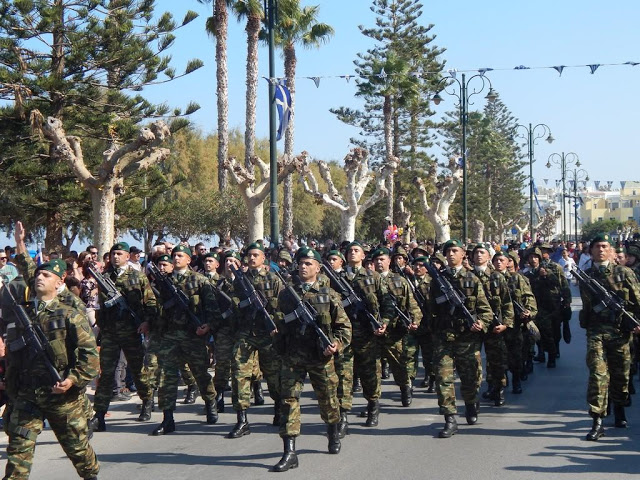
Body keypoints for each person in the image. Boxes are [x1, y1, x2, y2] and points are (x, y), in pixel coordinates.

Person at [1, 259, 100, 479]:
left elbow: (90, 357)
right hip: (27, 395)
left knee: (78, 450)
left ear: (59, 282)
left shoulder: (69, 314)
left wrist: (73, 380)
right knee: (18, 451)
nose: (39, 278)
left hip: (61, 394)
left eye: (46, 275)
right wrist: (9, 384)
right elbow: (13, 356)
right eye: (38, 274)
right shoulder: (22, 316)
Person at [271, 247, 351, 472]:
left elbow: (344, 327)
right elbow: (280, 323)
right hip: (293, 356)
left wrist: (336, 344)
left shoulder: (329, 295)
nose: (303, 267)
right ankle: (289, 452)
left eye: (308, 263)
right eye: (301, 263)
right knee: (288, 401)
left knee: (327, 399)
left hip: (320, 357)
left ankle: (333, 431)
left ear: (318, 267)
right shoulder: (287, 294)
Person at [151, 245, 222, 435]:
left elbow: (212, 308)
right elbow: (159, 308)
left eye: (180, 255)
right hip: (171, 335)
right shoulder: (164, 281)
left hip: (193, 335)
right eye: (174, 255)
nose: (176, 258)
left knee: (200, 373)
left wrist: (208, 326)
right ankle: (168, 418)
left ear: (189, 260)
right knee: (167, 377)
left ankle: (210, 401)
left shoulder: (200, 281)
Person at [577, 234, 640, 440]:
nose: (600, 250)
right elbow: (587, 308)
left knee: (621, 374)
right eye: (596, 246)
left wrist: (636, 322)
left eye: (604, 246)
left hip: (620, 332)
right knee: (597, 374)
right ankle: (597, 420)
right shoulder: (585, 276)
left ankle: (619, 409)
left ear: (611, 250)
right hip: (596, 332)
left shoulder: (624, 273)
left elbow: (638, 300)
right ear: (590, 250)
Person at [89, 242, 158, 432]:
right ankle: (99, 414)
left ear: (128, 256)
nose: (115, 257)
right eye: (113, 254)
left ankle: (147, 400)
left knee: (137, 370)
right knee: (106, 374)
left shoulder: (137, 277)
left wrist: (146, 322)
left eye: (119, 254)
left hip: (131, 331)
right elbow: (101, 305)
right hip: (110, 333)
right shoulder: (105, 278)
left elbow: (150, 302)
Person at [430, 240, 493, 438]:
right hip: (444, 338)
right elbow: (430, 309)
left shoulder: (472, 280)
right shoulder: (438, 280)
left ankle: (471, 403)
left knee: (470, 378)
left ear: (463, 254)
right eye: (447, 251)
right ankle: (450, 418)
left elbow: (486, 311)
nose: (450, 254)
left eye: (454, 250)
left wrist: (480, 323)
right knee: (443, 378)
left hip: (467, 338)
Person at [227, 242, 283, 438]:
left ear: (263, 258)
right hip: (246, 333)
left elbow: (282, 306)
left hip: (267, 334)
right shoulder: (239, 280)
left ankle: (279, 407)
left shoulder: (273, 279)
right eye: (249, 255)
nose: (251, 258)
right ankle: (242, 420)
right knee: (239, 374)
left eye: (255, 255)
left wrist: (275, 324)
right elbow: (234, 305)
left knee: (273, 374)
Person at [371, 247, 421, 406]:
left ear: (389, 261)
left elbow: (412, 305)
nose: (379, 262)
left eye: (382, 259)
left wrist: (415, 320)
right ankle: (373, 403)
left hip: (394, 331)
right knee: (372, 369)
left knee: (399, 365)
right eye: (376, 260)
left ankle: (405, 387)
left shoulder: (400, 281)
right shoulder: (366, 281)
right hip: (372, 331)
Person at [471, 245, 514, 406]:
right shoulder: (468, 276)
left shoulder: (496, 277)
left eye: (482, 252)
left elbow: (507, 303)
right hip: (474, 325)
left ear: (489, 256)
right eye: (476, 253)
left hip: (494, 326)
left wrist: (506, 324)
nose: (479, 255)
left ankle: (498, 389)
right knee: (473, 361)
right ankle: (476, 392)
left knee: (496, 360)